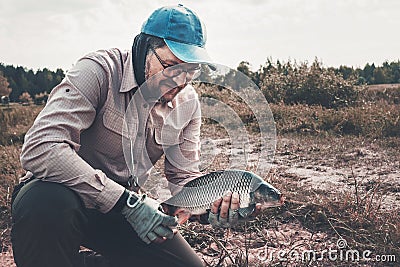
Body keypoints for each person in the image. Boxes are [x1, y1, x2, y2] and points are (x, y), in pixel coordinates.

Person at [11, 4, 259, 267]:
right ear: (142, 49)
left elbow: (184, 179)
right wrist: (124, 201)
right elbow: (41, 147)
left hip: (125, 212)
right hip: (63, 197)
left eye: (190, 70)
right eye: (171, 65)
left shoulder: (188, 104)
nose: (180, 80)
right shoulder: (98, 71)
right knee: (46, 202)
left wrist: (213, 204)